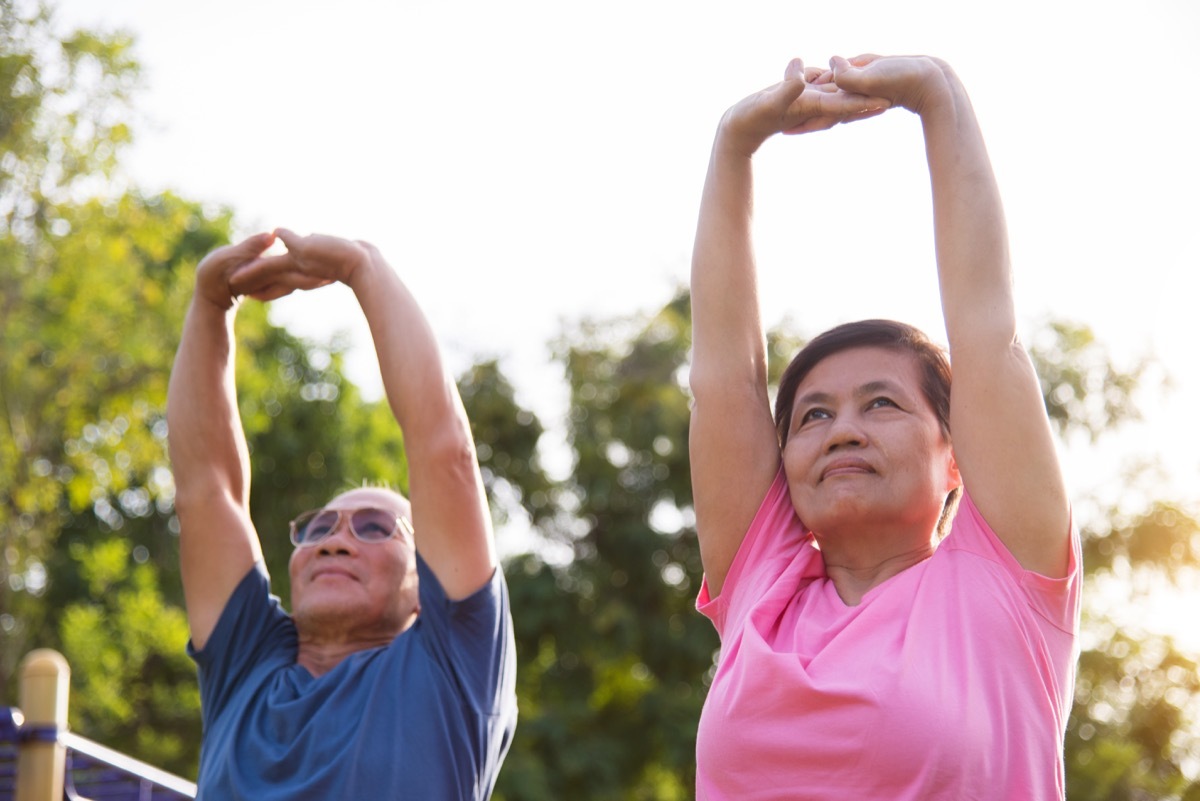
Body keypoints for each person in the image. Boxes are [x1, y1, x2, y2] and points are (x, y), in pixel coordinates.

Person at [688, 54, 1080, 798]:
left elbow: (987, 329)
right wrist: (733, 147)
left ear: (955, 452)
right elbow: (723, 380)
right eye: (813, 415)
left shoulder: (1004, 582)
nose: (842, 430)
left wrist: (938, 94)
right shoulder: (762, 585)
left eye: (882, 403)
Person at [166, 229, 517, 800]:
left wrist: (364, 267)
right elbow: (206, 491)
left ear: (424, 588)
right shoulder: (245, 664)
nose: (335, 541)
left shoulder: (451, 670)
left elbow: (443, 450)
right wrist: (209, 303)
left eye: (375, 528)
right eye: (318, 527)